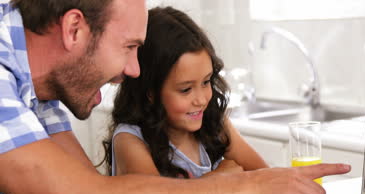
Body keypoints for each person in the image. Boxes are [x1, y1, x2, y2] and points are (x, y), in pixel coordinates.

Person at [0, 0, 351, 194]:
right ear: (73, 28)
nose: (135, 70)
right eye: (130, 47)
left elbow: (81, 193)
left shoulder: (36, 87)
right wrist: (245, 184)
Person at [103, 6, 269, 181]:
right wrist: (217, 179)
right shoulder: (130, 140)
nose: (201, 100)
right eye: (186, 89)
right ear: (151, 92)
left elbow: (265, 177)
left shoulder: (214, 124)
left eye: (206, 82)